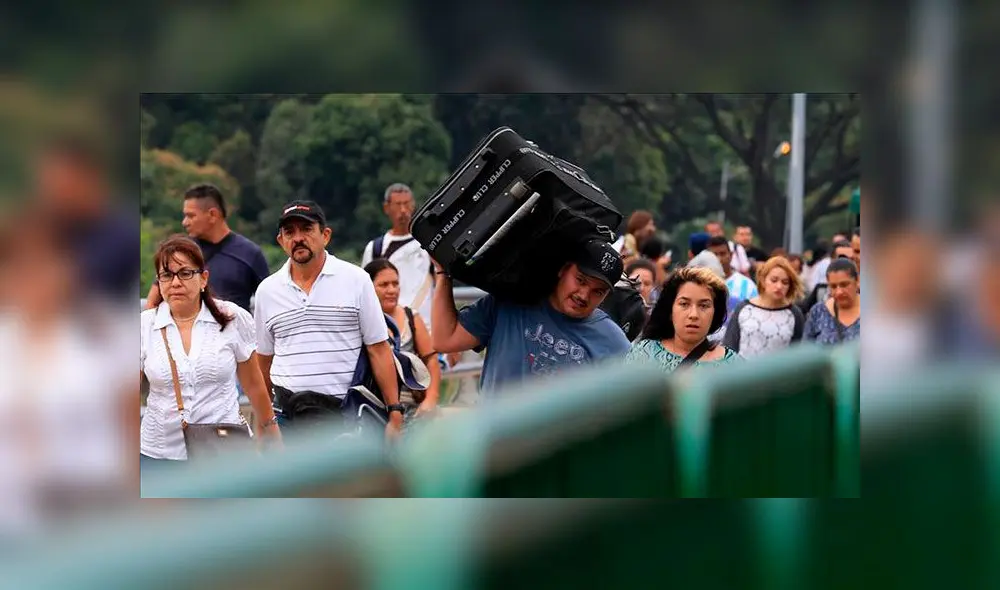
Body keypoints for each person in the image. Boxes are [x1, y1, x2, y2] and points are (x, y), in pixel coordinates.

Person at [253, 201, 404, 437]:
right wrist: (264, 423)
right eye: (289, 232)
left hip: (345, 417)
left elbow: (378, 349)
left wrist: (394, 412)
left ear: (325, 235)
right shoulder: (267, 291)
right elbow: (263, 362)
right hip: (287, 418)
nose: (298, 238)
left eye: (306, 229)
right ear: (281, 241)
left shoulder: (357, 280)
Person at [140, 236, 280, 464]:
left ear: (203, 278)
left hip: (224, 450)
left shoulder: (232, 318)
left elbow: (254, 385)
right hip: (160, 454)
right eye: (167, 275)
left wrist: (272, 434)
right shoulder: (144, 326)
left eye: (185, 273)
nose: (175, 283)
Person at [431, 239, 631, 396]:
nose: (583, 295)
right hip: (495, 442)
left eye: (598, 292)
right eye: (580, 280)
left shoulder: (614, 344)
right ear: (564, 269)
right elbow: (445, 339)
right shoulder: (510, 303)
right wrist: (443, 274)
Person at [146, 184, 270, 313]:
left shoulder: (250, 254)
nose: (185, 222)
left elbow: (269, 304)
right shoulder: (181, 252)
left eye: (191, 216)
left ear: (212, 214)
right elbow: (152, 302)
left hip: (231, 329)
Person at [364, 258, 441, 416]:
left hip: (413, 406)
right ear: (369, 288)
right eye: (384, 285)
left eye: (395, 283)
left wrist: (431, 399)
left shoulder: (411, 317)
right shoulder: (362, 321)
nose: (392, 290)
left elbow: (431, 360)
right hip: (374, 406)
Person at [625, 267, 740, 372]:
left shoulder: (732, 366)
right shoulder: (644, 353)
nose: (693, 315)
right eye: (684, 304)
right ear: (670, 309)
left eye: (704, 306)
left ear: (715, 313)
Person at [360, 183, 435, 326]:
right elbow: (365, 290)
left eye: (406, 204)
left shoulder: (428, 244)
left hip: (427, 327)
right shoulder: (376, 248)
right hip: (392, 328)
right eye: (397, 205)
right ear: (386, 208)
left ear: (413, 205)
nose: (403, 210)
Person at [722, 256, 806, 358]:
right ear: (763, 280)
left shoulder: (794, 314)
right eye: (774, 280)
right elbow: (729, 346)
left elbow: (797, 354)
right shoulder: (744, 308)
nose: (779, 286)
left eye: (785, 282)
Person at [803, 258, 861, 344]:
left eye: (844, 285)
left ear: (857, 281)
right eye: (833, 286)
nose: (839, 292)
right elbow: (806, 350)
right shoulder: (818, 311)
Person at [798, 240, 855, 314]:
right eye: (841, 258)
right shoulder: (820, 290)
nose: (846, 262)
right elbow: (801, 309)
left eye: (850, 259)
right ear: (831, 260)